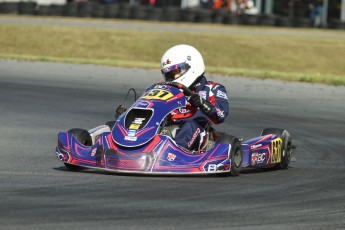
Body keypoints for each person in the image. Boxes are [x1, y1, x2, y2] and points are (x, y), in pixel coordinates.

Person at [160, 44, 229, 152]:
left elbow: (220, 116)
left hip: (196, 132)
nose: (174, 78)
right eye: (169, 74)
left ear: (192, 66)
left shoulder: (212, 89)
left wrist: (202, 103)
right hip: (167, 131)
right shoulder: (166, 91)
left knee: (189, 126)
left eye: (177, 72)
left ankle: (174, 154)